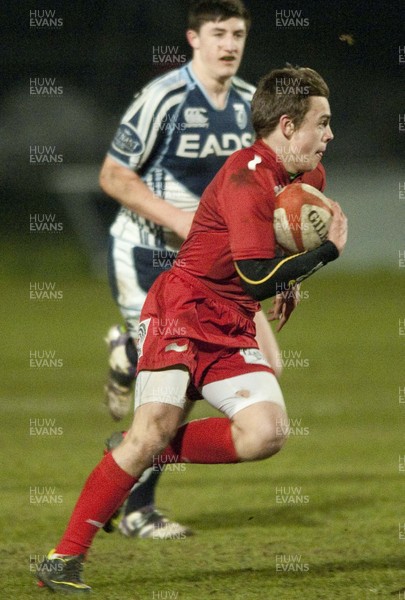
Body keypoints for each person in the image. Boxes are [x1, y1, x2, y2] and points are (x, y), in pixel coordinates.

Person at [36, 64, 347, 593]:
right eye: (322, 122)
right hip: (182, 308)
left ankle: (137, 446)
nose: (330, 134)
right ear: (289, 126)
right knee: (150, 432)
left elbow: (263, 260)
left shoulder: (307, 176)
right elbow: (253, 276)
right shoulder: (247, 176)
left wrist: (290, 274)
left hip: (230, 320)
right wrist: (325, 254)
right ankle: (62, 560)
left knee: (266, 433)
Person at [99, 0, 285, 539]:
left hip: (216, 272)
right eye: (219, 33)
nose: (230, 44)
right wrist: (183, 220)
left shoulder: (254, 105)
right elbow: (113, 175)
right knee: (177, 380)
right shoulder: (164, 97)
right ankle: (137, 509)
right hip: (149, 258)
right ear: (193, 39)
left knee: (268, 367)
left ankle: (130, 366)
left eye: (239, 34)